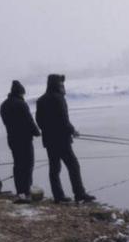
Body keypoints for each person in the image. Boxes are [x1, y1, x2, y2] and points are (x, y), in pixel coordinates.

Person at [36, 74, 95, 204]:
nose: (63, 86)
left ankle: (58, 196)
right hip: (62, 140)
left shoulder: (41, 100)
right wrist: (72, 131)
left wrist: (48, 130)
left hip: (49, 140)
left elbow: (39, 121)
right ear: (57, 84)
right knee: (73, 166)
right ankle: (79, 194)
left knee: (54, 169)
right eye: (61, 83)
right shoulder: (59, 98)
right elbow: (63, 120)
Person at [0, 80, 41, 203]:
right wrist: (37, 132)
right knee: (28, 165)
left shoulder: (4, 105)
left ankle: (20, 191)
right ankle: (27, 191)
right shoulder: (21, 104)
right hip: (24, 139)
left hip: (12, 138)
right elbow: (29, 120)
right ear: (20, 93)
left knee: (18, 165)